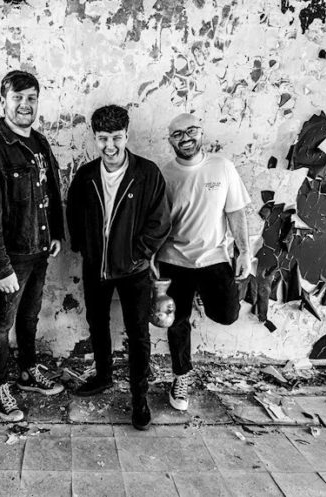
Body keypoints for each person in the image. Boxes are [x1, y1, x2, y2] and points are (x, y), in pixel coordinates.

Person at [67, 105, 170, 430]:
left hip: (134, 270)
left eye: (115, 137)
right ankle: (103, 376)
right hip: (96, 267)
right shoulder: (85, 175)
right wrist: (84, 246)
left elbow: (160, 221)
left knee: (138, 334)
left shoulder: (147, 173)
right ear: (95, 138)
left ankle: (139, 398)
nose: (109, 146)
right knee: (97, 323)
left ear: (126, 135)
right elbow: (73, 212)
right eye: (102, 138)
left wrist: (138, 253)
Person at [0, 70, 65, 422]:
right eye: (17, 98)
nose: (25, 105)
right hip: (11, 258)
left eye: (31, 98)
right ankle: (0, 385)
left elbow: (51, 190)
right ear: (2, 102)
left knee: (29, 316)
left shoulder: (39, 141)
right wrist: (0, 267)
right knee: (1, 323)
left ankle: (27, 372)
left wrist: (56, 233)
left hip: (39, 250)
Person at [157, 113, 251, 411]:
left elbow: (235, 211)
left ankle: (202, 297)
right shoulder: (165, 174)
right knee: (177, 323)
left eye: (191, 131)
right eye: (177, 134)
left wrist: (244, 251)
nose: (185, 138)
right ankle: (181, 377)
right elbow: (158, 223)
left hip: (214, 258)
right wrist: (152, 259)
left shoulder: (222, 167)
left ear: (201, 133)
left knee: (227, 315)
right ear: (170, 140)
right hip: (175, 260)